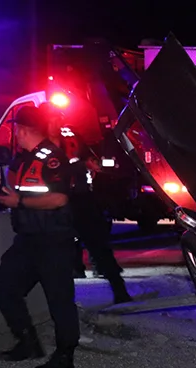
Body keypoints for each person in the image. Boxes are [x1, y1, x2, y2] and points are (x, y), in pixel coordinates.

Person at [0, 105, 80, 368]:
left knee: (59, 299)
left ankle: (65, 357)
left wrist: (18, 200)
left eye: (15, 128)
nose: (13, 133)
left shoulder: (52, 158)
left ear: (22, 129)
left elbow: (60, 198)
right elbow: (24, 191)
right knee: (4, 288)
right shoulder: (26, 159)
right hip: (28, 241)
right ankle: (27, 342)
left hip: (54, 241)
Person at [38, 103, 133, 303]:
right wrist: (82, 165)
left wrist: (94, 164)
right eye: (51, 118)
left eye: (57, 118)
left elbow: (88, 157)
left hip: (81, 199)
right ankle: (63, 297)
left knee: (99, 244)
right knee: (58, 250)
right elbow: (53, 172)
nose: (56, 123)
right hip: (54, 203)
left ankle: (119, 290)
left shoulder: (71, 137)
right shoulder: (39, 146)